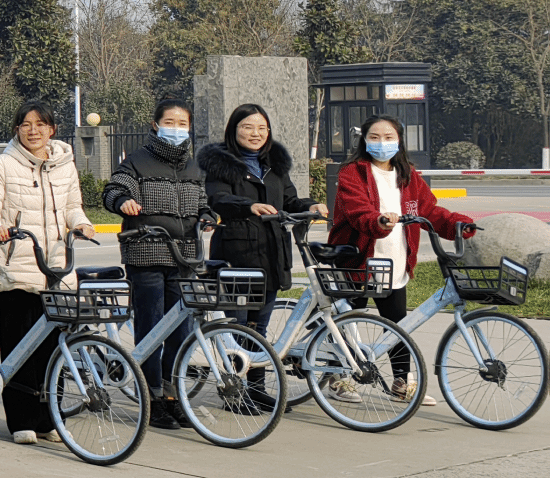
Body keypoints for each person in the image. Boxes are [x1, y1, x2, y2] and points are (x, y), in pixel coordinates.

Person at [328, 115, 473, 400]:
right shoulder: (352, 173)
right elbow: (358, 211)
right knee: (346, 322)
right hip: (357, 260)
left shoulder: (408, 175)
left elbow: (429, 211)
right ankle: (338, 378)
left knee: (397, 325)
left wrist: (457, 224)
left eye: (388, 137)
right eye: (374, 137)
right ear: (364, 141)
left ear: (399, 141)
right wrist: (379, 220)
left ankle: (401, 383)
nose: (382, 143)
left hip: (394, 261)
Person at [0, 101, 94, 445]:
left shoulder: (65, 164)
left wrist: (82, 224)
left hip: (56, 269)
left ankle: (49, 419)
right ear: (17, 130)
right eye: (26, 124)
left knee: (53, 349)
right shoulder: (2, 164)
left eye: (40, 124)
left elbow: (73, 207)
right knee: (20, 348)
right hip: (17, 267)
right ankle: (21, 421)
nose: (33, 130)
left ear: (52, 129)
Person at [102, 96, 209, 429]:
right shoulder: (137, 161)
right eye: (169, 123)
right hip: (147, 254)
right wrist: (123, 201)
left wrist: (207, 215)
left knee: (181, 331)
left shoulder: (192, 166)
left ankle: (173, 396)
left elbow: (202, 201)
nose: (176, 129)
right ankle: (151, 398)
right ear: (155, 125)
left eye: (182, 124)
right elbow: (113, 190)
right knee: (151, 330)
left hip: (184, 257)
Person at [198, 103, 313, 337]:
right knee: (238, 328)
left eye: (262, 128)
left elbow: (290, 200)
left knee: (259, 330)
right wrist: (249, 206)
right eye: (248, 127)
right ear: (233, 129)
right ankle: (235, 363)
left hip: (272, 255)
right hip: (237, 256)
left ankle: (257, 363)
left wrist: (311, 206)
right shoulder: (221, 164)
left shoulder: (275, 165)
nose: (256, 133)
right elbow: (218, 198)